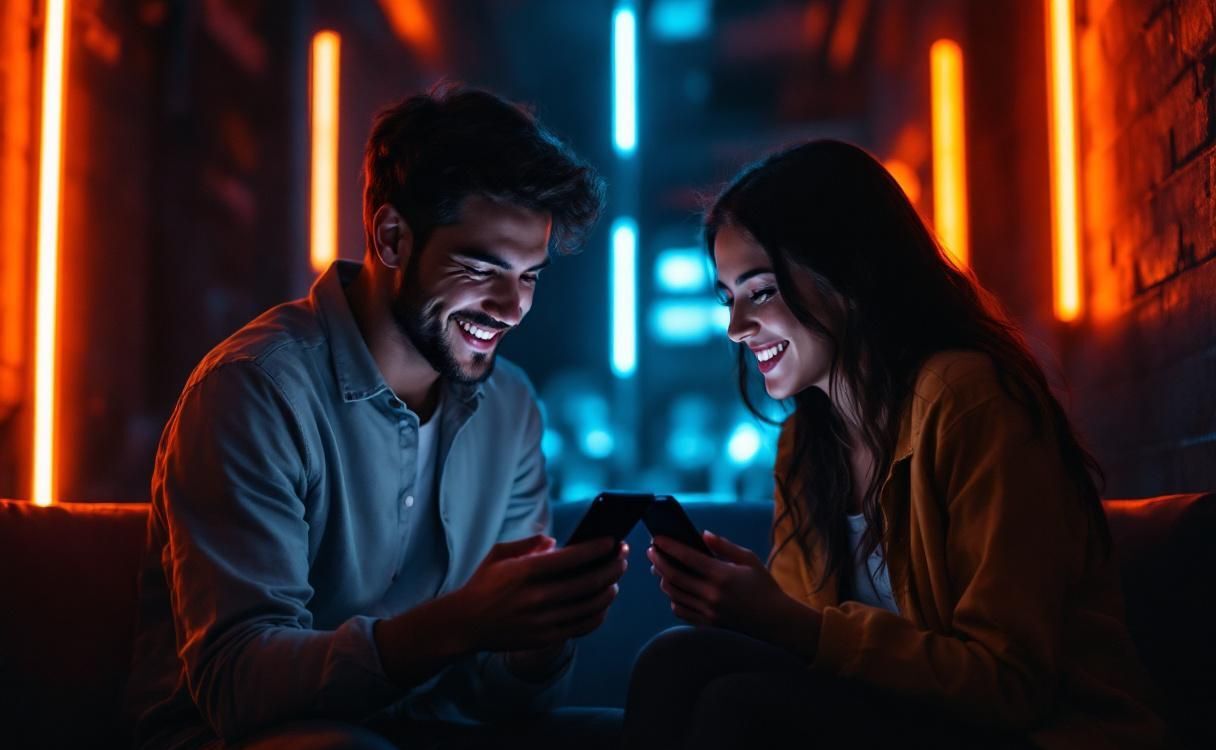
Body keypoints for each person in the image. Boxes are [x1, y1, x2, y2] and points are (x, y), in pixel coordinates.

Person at [622, 140, 1170, 748]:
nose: (735, 328)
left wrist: (788, 623)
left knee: (736, 704)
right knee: (676, 659)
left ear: (848, 273)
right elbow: (807, 653)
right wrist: (757, 615)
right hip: (902, 721)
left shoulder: (966, 400)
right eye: (729, 299)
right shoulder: (807, 442)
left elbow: (1011, 683)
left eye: (762, 291)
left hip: (1034, 732)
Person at [126, 84, 625, 750]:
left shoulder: (510, 409)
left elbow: (497, 700)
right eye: (482, 268)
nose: (513, 308)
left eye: (530, 275)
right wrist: (459, 623)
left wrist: (538, 636)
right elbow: (238, 684)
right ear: (393, 238)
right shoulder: (255, 390)